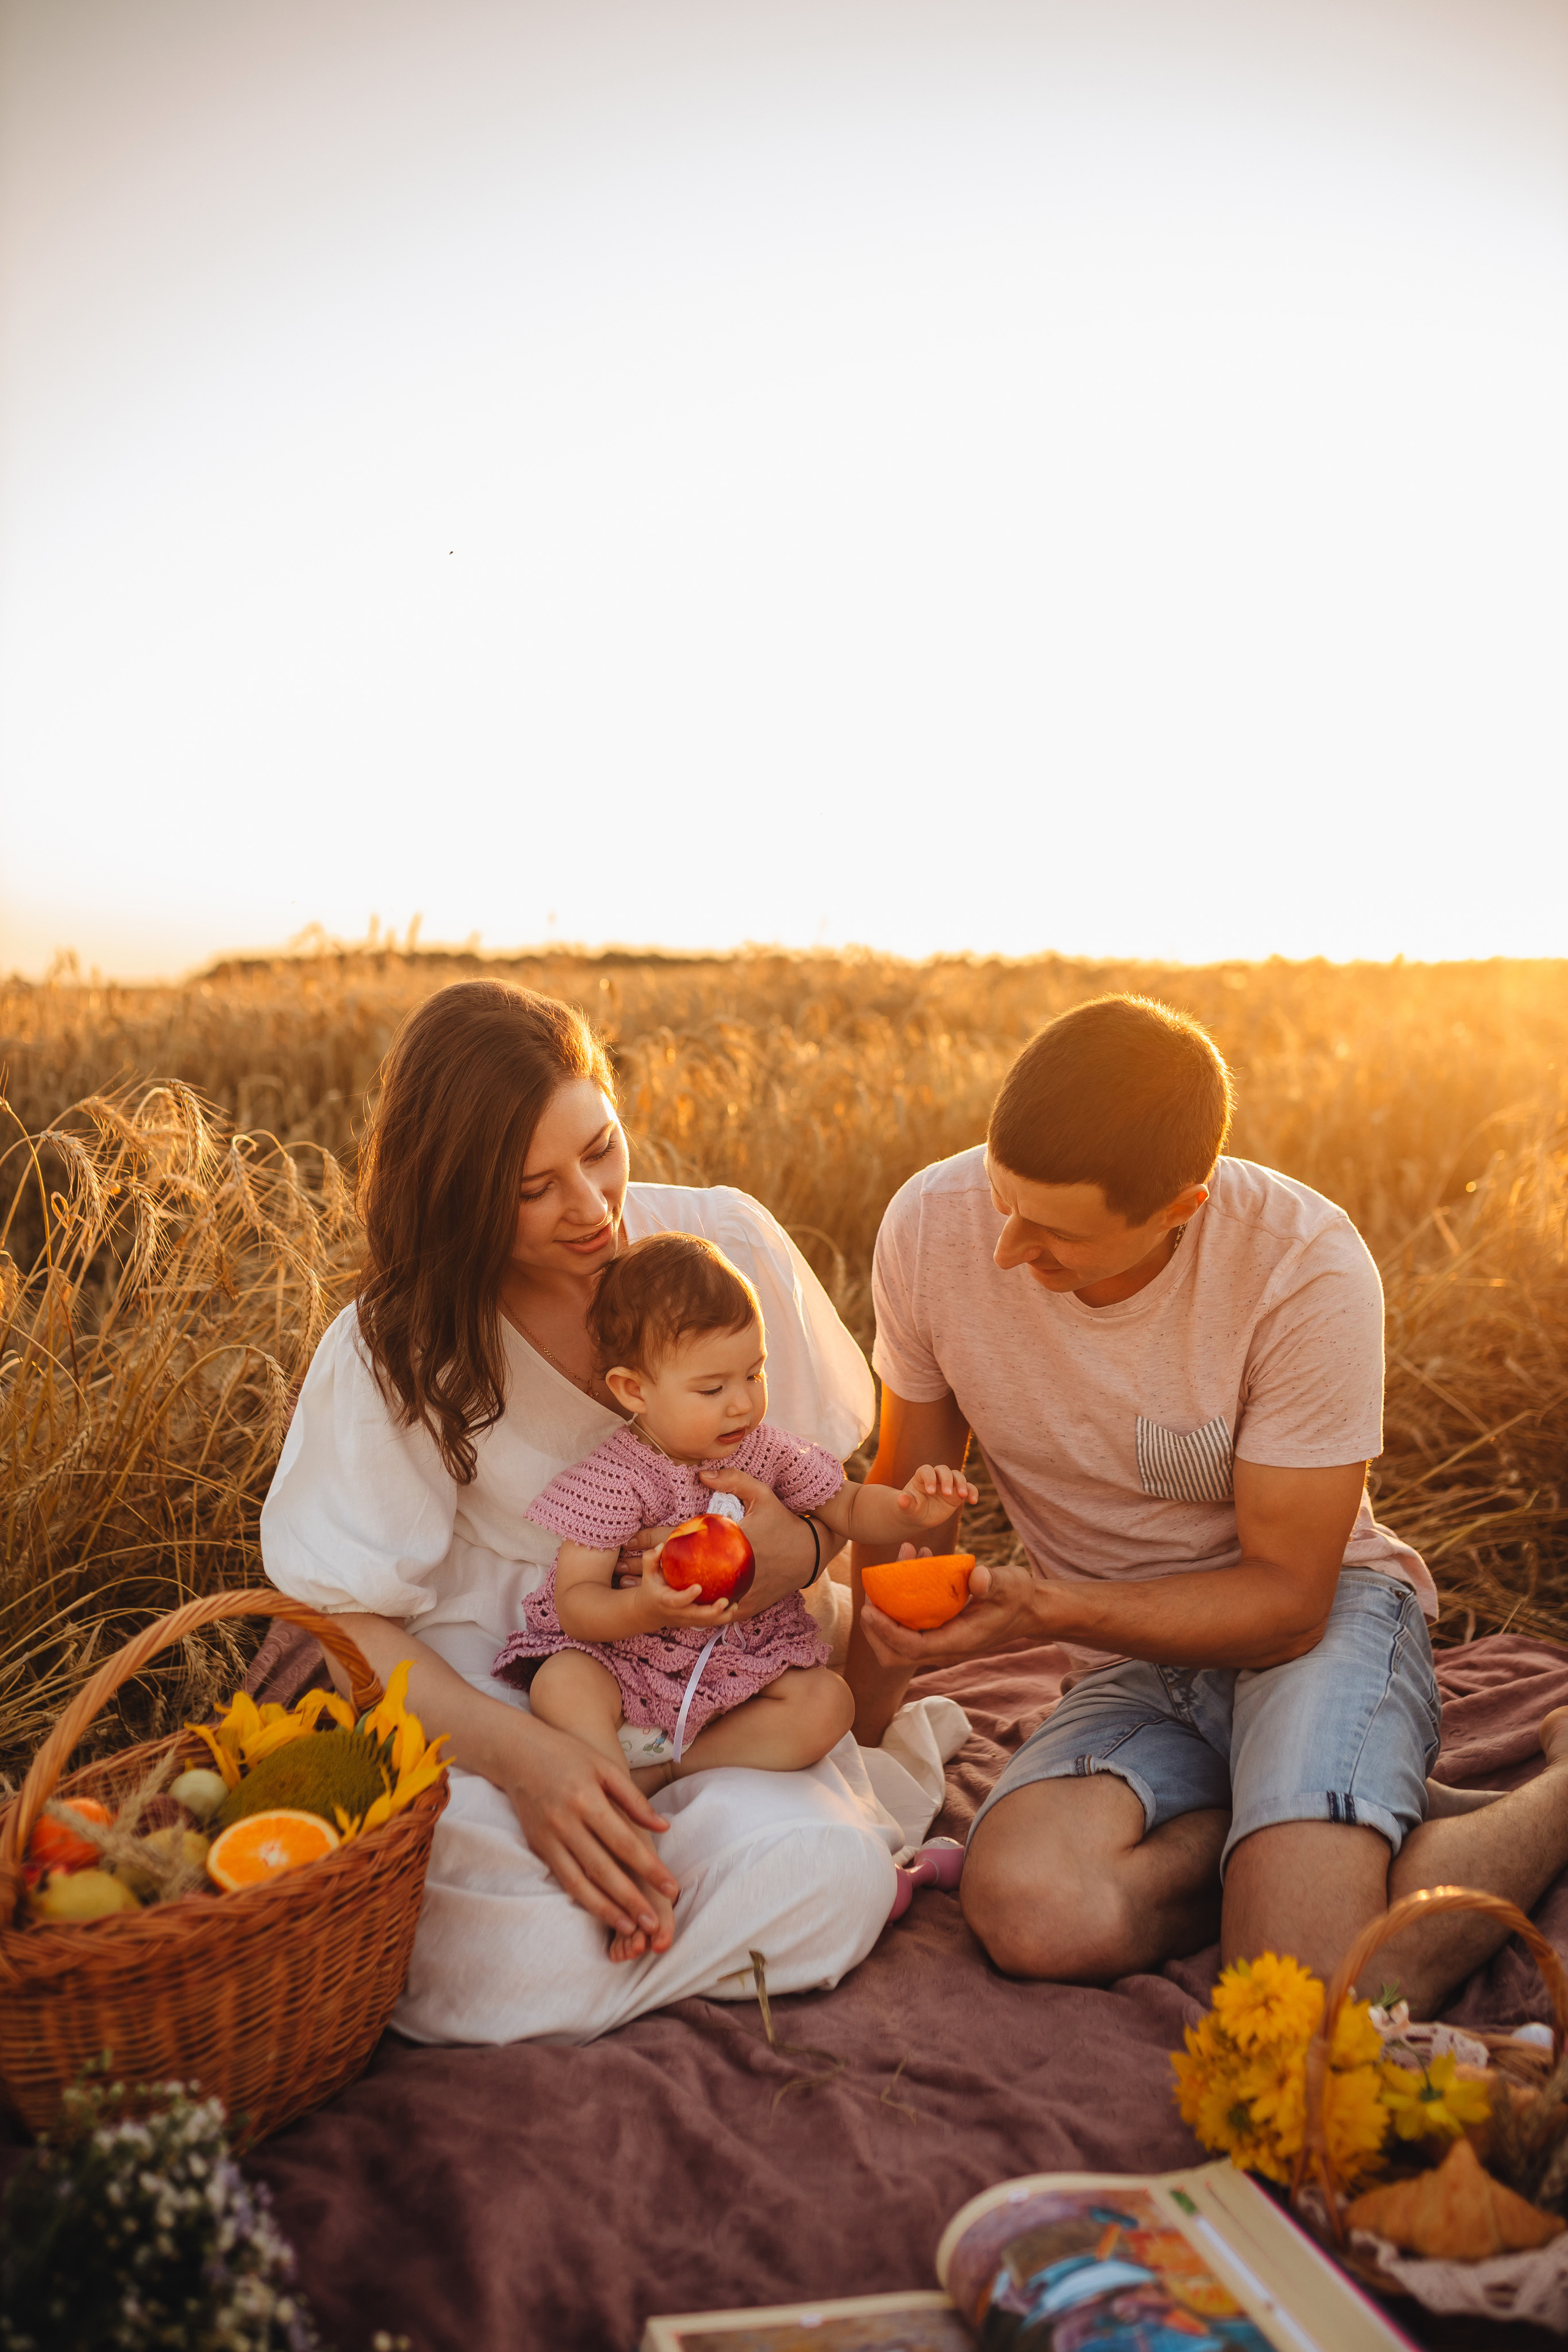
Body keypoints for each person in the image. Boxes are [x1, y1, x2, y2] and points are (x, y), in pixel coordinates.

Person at [260, 979, 963, 2046]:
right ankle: (654, 1926)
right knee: (442, 1917)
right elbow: (344, 1626)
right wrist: (532, 1765)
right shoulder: (395, 1341)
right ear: (455, 1195)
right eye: (533, 1188)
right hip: (508, 1675)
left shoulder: (722, 1242)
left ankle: (619, 1927)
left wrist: (794, 1553)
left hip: (721, 1682)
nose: (592, 1207)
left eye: (601, 1148)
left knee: (832, 1875)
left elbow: (821, 1502)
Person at [848, 993, 1568, 2017]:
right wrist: (854, 1739)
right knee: (1029, 1910)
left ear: (1179, 1209)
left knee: (1317, 1985)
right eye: (1002, 1199)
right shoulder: (932, 1224)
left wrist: (1050, 1611)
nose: (1006, 1250)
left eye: (1053, 1234)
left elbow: (1288, 1603)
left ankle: (1554, 1789)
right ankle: (1300, 1830)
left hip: (1310, 1626)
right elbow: (902, 1493)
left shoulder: (1303, 1268)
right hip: (1131, 1663)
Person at [497, 1231, 976, 1908]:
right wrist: (646, 1607)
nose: (741, 1403)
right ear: (633, 1389)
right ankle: (609, 1803)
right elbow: (577, 1602)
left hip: (734, 1671)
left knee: (826, 1704)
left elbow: (848, 1507)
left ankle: (664, 1773)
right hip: (626, 1656)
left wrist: (909, 1510)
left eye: (754, 1373)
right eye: (711, 1386)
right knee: (562, 1682)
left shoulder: (769, 1452)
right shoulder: (614, 1478)